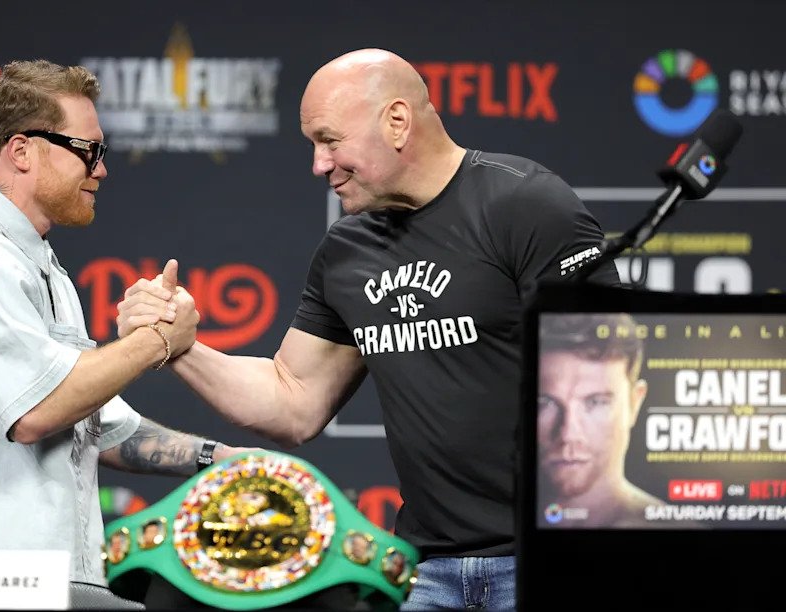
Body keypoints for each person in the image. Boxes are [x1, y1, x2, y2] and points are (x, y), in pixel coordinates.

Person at [116, 48, 621, 610]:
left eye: (330, 140)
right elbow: (293, 401)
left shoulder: (525, 205)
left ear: (397, 122)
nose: (319, 164)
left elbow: (613, 375)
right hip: (426, 570)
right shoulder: (348, 249)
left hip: (548, 560)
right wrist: (176, 343)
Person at [0, 59, 251, 610]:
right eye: (87, 150)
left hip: (32, 581)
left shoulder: (38, 266)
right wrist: (159, 339)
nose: (101, 170)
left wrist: (221, 459)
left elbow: (100, 425)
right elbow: (38, 410)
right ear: (21, 151)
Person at [537, 313, 664, 528]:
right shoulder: (489, 523)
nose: (569, 434)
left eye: (596, 402)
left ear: (634, 403)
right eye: (546, 402)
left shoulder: (681, 534)